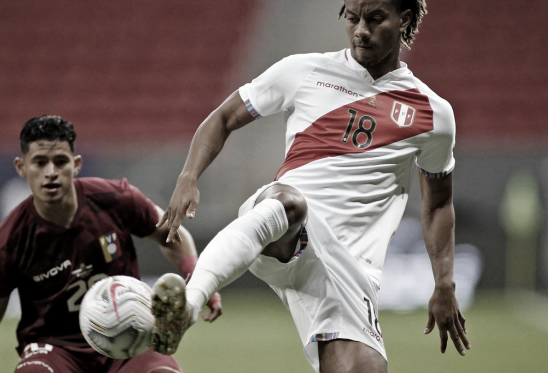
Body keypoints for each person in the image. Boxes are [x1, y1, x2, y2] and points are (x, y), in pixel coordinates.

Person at [150, 0, 470, 372]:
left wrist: (444, 282)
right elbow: (223, 117)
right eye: (352, 18)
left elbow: (437, 205)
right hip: (285, 230)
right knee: (289, 202)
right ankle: (188, 306)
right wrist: (188, 177)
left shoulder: (432, 113)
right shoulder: (303, 71)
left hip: (350, 270)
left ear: (405, 20)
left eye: (374, 18)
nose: (360, 30)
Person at [0, 115, 222, 373]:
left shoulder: (115, 198)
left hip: (130, 336)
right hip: (54, 348)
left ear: (76, 164)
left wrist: (199, 281)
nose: (51, 172)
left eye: (60, 161)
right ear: (22, 167)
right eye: (40, 163)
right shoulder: (7, 241)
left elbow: (172, 234)